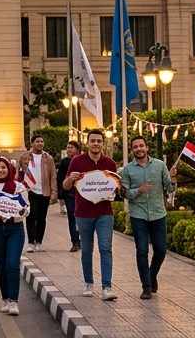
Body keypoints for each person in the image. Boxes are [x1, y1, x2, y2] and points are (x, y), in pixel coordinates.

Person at [62, 129, 119, 301]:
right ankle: (88, 282)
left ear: (103, 144)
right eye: (93, 141)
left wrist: (117, 187)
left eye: (99, 141)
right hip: (83, 213)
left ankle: (107, 287)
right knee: (86, 250)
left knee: (105, 248)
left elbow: (115, 187)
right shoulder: (77, 161)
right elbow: (65, 186)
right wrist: (71, 179)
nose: (96, 144)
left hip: (104, 213)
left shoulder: (110, 163)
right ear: (87, 143)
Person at [118, 135, 176, 299]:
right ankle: (146, 286)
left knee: (160, 250)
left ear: (147, 147)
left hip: (158, 214)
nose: (139, 149)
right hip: (138, 215)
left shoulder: (159, 165)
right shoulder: (127, 170)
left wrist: (173, 179)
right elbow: (124, 194)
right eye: (135, 147)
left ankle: (152, 275)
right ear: (132, 150)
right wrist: (139, 190)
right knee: (142, 250)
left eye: (141, 146)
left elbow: (169, 188)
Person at [0, 156, 28, 316]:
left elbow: (26, 209)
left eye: (4, 167)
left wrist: (19, 212)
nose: (1, 170)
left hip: (15, 228)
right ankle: (5, 298)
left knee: (12, 264)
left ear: (9, 168)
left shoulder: (18, 187)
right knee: (1, 265)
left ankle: (14, 301)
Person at [18, 134, 57, 252]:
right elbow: (19, 173)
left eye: (42, 141)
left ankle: (39, 242)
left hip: (44, 192)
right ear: (32, 143)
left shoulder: (48, 158)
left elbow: (53, 176)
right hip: (30, 191)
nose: (40, 143)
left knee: (41, 218)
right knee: (31, 215)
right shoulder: (25, 156)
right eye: (37, 141)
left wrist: (54, 193)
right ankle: (31, 242)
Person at [58, 140, 82, 252]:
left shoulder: (82, 161)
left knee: (82, 219)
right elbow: (61, 179)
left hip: (82, 195)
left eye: (71, 147)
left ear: (77, 149)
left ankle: (82, 240)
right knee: (72, 218)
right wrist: (61, 196)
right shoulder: (64, 162)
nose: (69, 150)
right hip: (69, 194)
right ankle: (75, 242)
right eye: (68, 147)